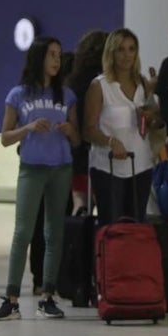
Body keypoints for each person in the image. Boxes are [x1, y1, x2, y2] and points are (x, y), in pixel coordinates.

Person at [0, 37, 80, 321]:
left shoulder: (66, 95)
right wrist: (27, 127)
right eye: (51, 55)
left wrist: (70, 132)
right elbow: (5, 138)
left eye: (58, 55)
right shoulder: (18, 94)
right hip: (31, 168)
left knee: (54, 233)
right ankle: (11, 298)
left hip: (61, 168)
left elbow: (78, 139)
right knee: (22, 233)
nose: (57, 60)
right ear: (38, 57)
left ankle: (48, 296)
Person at [84, 28, 162, 224]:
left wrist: (152, 118)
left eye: (131, 49)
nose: (126, 55)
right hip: (108, 167)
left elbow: (151, 123)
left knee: (135, 225)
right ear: (111, 53)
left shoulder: (143, 83)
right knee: (111, 226)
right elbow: (88, 130)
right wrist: (110, 141)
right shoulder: (99, 86)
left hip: (141, 165)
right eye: (120, 49)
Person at [66, 30, 108, 213]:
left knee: (80, 201)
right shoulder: (105, 83)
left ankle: (77, 239)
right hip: (101, 149)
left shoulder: (73, 82)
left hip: (77, 153)